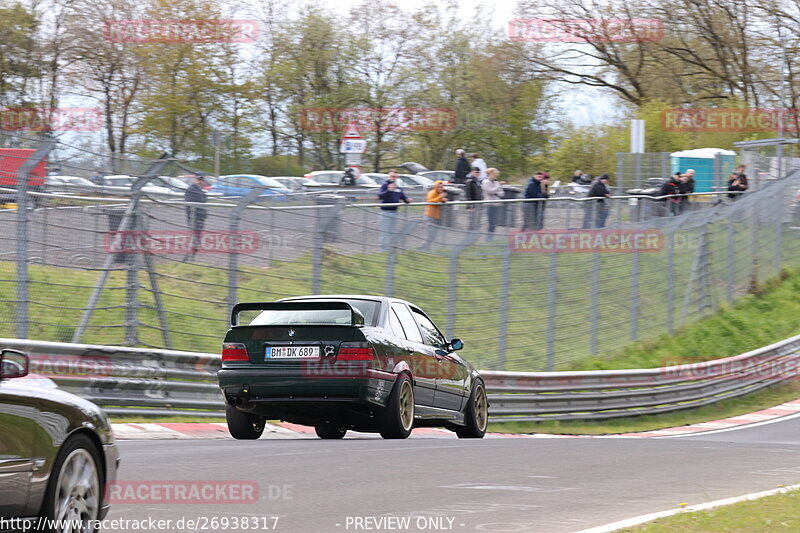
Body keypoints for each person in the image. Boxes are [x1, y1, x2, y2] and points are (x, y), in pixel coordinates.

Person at [378, 179, 411, 251]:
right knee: (385, 232)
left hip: (394, 212)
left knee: (392, 232)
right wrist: (389, 190)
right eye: (392, 176)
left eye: (395, 176)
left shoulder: (398, 189)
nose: (393, 178)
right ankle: (383, 250)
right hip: (385, 212)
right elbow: (380, 196)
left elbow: (403, 197)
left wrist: (408, 200)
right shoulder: (385, 185)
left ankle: (390, 249)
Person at [183, 175, 208, 261]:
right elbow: (199, 201)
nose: (201, 182)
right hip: (195, 217)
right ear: (195, 180)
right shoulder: (192, 189)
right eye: (199, 180)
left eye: (202, 180)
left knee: (196, 239)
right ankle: (188, 259)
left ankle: (190, 258)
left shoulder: (199, 190)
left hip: (199, 217)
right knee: (195, 239)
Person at [421, 180, 447, 250]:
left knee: (433, 235)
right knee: (428, 234)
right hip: (429, 216)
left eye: (442, 187)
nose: (441, 189)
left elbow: (439, 201)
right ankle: (423, 248)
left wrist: (443, 200)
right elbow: (430, 201)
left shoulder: (439, 194)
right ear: (436, 187)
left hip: (436, 216)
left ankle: (427, 247)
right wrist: (440, 197)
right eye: (439, 187)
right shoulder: (431, 193)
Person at [482, 168, 505, 235]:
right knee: (490, 223)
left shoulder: (496, 182)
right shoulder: (486, 182)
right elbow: (490, 191)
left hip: (496, 205)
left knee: (495, 223)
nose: (496, 176)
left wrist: (496, 192)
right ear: (490, 174)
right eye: (494, 174)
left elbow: (502, 193)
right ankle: (488, 238)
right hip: (489, 205)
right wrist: (497, 188)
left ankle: (491, 237)